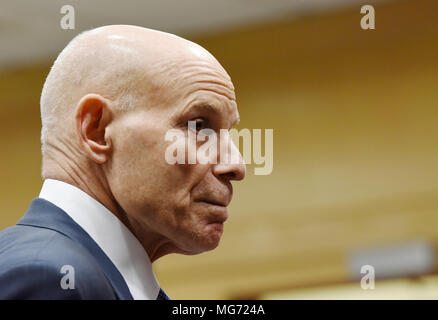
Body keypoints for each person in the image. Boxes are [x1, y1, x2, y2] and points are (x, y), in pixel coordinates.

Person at [0, 25, 246, 299]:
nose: (236, 165)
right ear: (97, 130)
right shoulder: (49, 278)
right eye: (198, 126)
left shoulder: (97, 278)